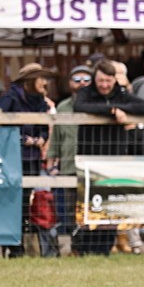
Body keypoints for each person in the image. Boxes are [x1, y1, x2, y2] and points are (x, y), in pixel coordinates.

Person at [73, 62, 144, 255]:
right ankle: (84, 247)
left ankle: (105, 248)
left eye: (108, 81)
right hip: (90, 157)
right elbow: (80, 106)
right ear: (95, 79)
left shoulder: (121, 93)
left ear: (114, 80)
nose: (104, 85)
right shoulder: (86, 92)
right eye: (100, 80)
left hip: (113, 158)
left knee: (110, 204)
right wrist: (111, 111)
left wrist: (117, 107)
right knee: (89, 203)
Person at [0, 63, 56, 257]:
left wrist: (40, 138)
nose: (45, 82)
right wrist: (22, 139)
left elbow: (44, 127)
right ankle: (13, 245)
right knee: (11, 201)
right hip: (12, 157)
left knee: (24, 202)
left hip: (32, 159)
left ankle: (19, 245)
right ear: (30, 80)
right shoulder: (10, 98)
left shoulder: (40, 101)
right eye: (41, 77)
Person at [46, 65, 94, 253]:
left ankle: (86, 249)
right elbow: (56, 137)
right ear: (69, 83)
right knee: (66, 213)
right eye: (77, 79)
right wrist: (51, 163)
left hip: (90, 167)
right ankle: (69, 248)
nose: (81, 83)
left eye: (86, 79)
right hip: (67, 166)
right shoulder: (62, 106)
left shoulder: (95, 105)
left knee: (89, 211)